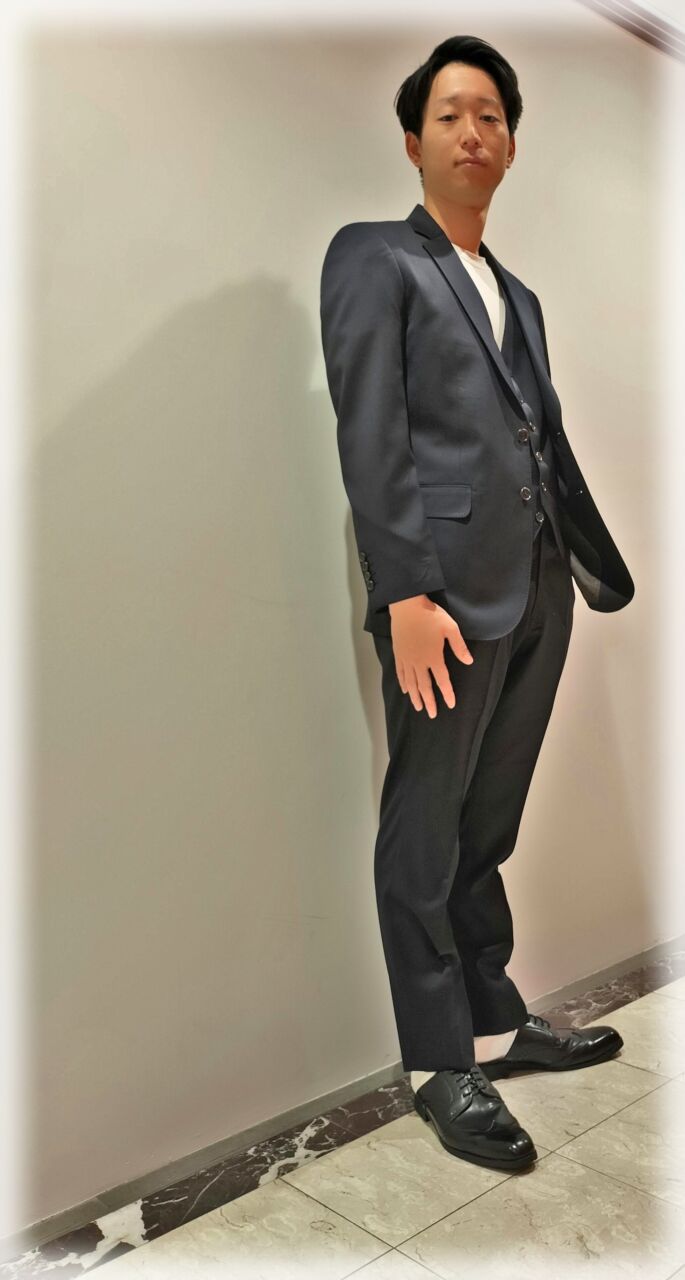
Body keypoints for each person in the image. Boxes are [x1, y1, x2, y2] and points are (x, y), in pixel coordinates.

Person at [319, 34, 634, 1172]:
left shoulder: (520, 294)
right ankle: (435, 1057)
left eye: (491, 115)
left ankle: (494, 1021)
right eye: (450, 114)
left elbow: (535, 435)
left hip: (536, 585)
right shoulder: (374, 255)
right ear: (414, 141)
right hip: (442, 598)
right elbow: (371, 428)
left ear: (509, 144)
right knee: (425, 819)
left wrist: (581, 562)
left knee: (486, 822)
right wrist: (403, 589)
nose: (472, 131)